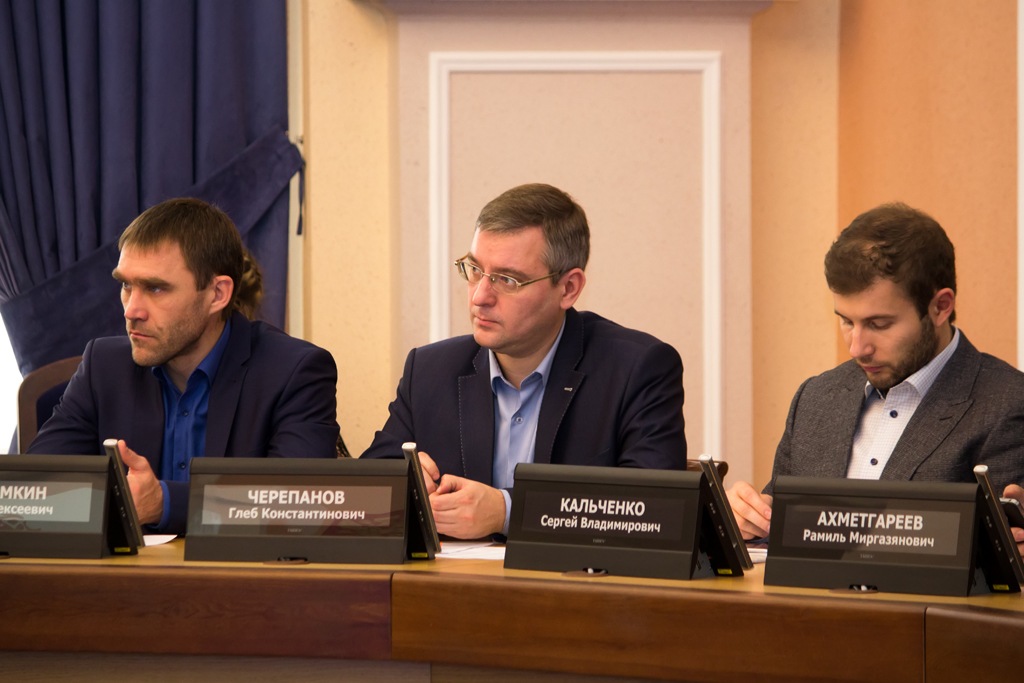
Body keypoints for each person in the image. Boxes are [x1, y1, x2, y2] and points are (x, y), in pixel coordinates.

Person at [360, 183, 687, 539]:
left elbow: (653, 511)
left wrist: (508, 511)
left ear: (568, 288)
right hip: (454, 576)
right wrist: (402, 483)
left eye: (507, 279)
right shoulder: (429, 370)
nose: (480, 296)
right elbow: (362, 494)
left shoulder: (637, 369)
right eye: (474, 269)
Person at [29, 197, 340, 535]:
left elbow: (296, 506)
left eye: (155, 288)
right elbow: (36, 490)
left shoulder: (294, 371)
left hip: (238, 569)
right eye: (126, 285)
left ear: (217, 294)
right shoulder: (103, 366)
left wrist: (165, 502)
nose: (131, 310)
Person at [727, 202, 1024, 553]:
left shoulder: (1007, 405)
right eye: (846, 321)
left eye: (878, 324)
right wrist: (748, 520)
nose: (857, 348)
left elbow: (1002, 559)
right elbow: (781, 536)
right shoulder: (816, 398)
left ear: (941, 306)